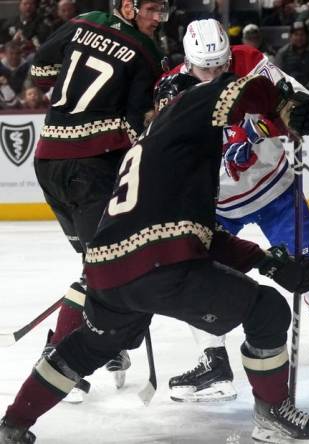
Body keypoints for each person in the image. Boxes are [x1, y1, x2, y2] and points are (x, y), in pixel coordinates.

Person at [0, 38, 309, 442]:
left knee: (86, 348)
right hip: (159, 269)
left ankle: (13, 423)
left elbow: (194, 234)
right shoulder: (187, 111)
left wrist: (265, 260)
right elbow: (239, 88)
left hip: (108, 275)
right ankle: (272, 413)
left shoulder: (151, 147)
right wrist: (283, 102)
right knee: (269, 311)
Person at [165, 19, 309, 403]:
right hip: (214, 204)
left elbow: (294, 97)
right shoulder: (171, 90)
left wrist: (296, 112)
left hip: (274, 188)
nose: (215, 74)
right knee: (195, 277)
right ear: (187, 62)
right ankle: (214, 361)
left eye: (220, 65)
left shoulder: (249, 61)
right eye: (205, 68)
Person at [27, 0, 167, 401]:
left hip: (49, 159)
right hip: (90, 167)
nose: (158, 18)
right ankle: (62, 355)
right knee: (101, 268)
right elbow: (132, 124)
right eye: (153, 10)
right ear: (127, 6)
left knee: (98, 264)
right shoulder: (146, 52)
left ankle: (102, 341)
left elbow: (40, 74)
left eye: (163, 11)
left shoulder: (82, 22)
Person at [274, 20, 309, 102]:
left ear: (307, 36)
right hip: (289, 89)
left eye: (302, 35)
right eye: (296, 35)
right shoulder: (282, 53)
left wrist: (306, 87)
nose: (299, 38)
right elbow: (277, 76)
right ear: (291, 36)